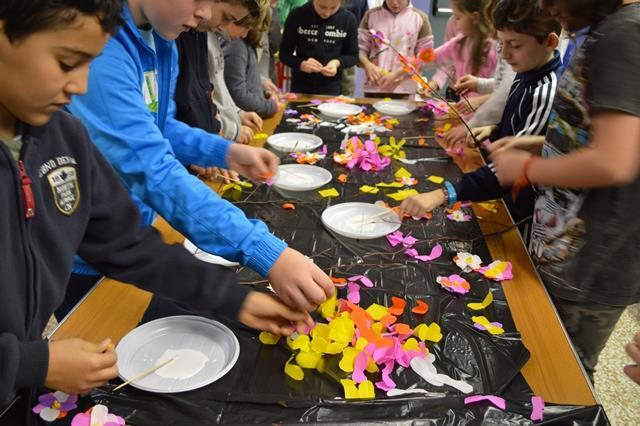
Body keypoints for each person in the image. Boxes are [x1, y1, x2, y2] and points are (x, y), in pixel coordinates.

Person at [0, 1, 312, 423]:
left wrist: (233, 299)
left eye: (89, 63)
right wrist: (28, 363)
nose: (80, 87)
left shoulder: (64, 136)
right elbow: (152, 168)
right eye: (67, 62)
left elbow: (126, 242)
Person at [66, 0, 334, 315]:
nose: (206, 15)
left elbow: (160, 125)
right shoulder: (105, 48)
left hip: (133, 232)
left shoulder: (161, 38)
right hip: (87, 249)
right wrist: (260, 248)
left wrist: (224, 151)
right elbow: (153, 170)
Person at [492, 0, 640, 380]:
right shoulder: (605, 29)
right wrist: (536, 143)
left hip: (591, 262)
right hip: (562, 244)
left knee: (559, 377)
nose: (543, 5)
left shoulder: (623, 33)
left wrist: (527, 167)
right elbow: (590, 133)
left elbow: (615, 160)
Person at [400, 0, 561, 233]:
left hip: (524, 207)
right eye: (502, 44)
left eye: (514, 45)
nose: (505, 55)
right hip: (506, 193)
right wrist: (494, 128)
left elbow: (511, 166)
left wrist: (443, 193)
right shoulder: (525, 70)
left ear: (549, 42)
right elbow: (521, 126)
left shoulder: (543, 93)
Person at [279, 0, 359, 95]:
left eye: (333, 8)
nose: (327, 13)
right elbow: (284, 54)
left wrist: (337, 63)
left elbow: (353, 56)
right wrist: (301, 64)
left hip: (331, 89)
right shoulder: (297, 15)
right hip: (300, 88)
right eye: (322, 7)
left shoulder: (348, 19)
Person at [358, 0, 433, 97]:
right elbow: (360, 49)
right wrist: (367, 65)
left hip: (404, 90)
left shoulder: (420, 18)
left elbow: (426, 56)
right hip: (374, 88)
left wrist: (402, 73)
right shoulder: (371, 16)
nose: (394, 3)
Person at [427, 0, 497, 99]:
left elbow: (502, 87)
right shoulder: (455, 32)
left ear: (475, 17)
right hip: (457, 92)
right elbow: (441, 58)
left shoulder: (495, 45)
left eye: (458, 17)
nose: (456, 21)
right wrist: (436, 81)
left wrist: (479, 101)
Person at [224, 7, 279, 118]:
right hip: (248, 119)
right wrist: (270, 106)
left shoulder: (247, 45)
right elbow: (238, 94)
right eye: (262, 29)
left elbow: (249, 78)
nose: (263, 35)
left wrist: (263, 90)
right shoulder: (237, 46)